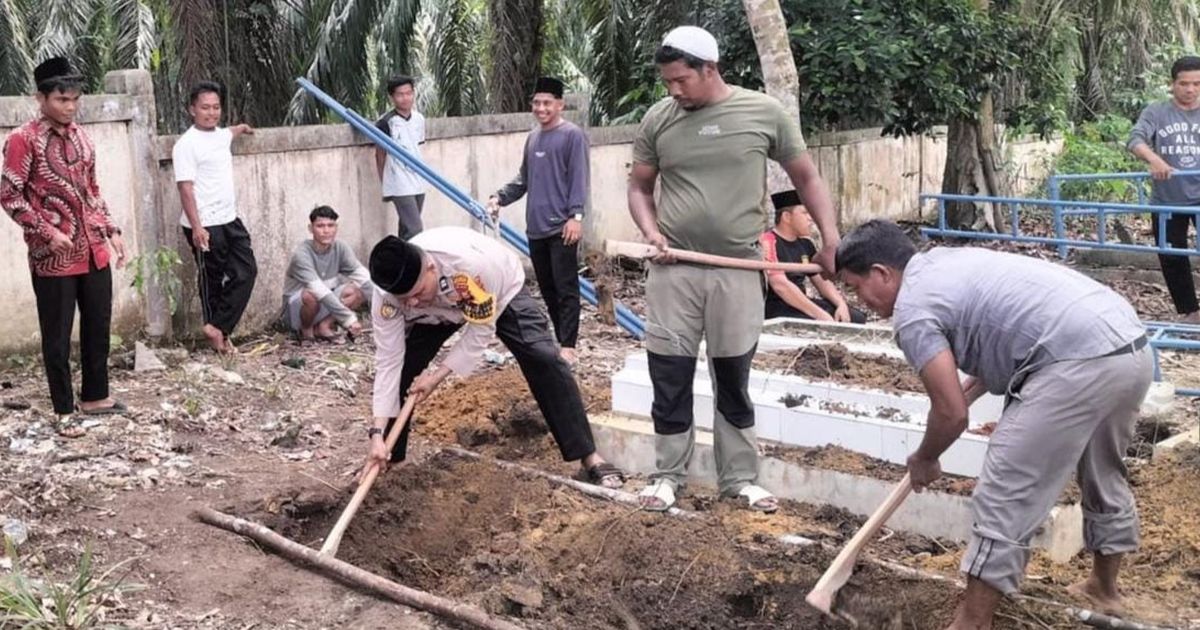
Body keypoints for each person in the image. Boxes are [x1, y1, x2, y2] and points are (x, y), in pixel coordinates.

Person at [836, 220, 1151, 630]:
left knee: (1006, 488)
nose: (860, 299)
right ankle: (1104, 589)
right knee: (1102, 471)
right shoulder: (947, 263)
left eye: (856, 286)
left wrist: (926, 458)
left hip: (1073, 362)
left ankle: (973, 621)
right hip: (1129, 347)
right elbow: (1008, 326)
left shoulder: (913, 312)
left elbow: (951, 414)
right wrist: (969, 386)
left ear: (882, 273)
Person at [627, 26, 841, 513]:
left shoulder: (762, 113)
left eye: (681, 80)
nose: (673, 91)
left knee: (733, 374)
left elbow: (805, 175)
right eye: (667, 82)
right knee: (670, 374)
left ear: (710, 69)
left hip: (739, 267)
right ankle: (667, 475)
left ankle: (740, 478)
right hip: (674, 266)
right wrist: (651, 231)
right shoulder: (658, 119)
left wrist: (830, 239)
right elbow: (640, 187)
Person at [361, 228, 624, 488]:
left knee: (542, 357)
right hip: (437, 313)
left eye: (418, 293)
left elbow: (480, 331)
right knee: (404, 370)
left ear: (430, 267)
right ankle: (388, 458)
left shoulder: (469, 269)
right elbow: (389, 361)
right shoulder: (389, 299)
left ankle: (588, 455)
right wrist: (376, 433)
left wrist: (437, 376)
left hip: (499, 294)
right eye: (406, 300)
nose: (414, 303)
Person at [0, 57, 129, 436]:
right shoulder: (23, 140)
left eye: (74, 99)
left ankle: (96, 396)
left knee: (98, 324)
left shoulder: (82, 137)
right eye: (61, 99)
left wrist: (112, 229)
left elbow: (92, 192)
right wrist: (44, 231)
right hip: (53, 256)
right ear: (40, 98)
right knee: (57, 334)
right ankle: (63, 410)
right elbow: (9, 194)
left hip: (93, 247)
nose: (69, 106)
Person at [487, 77, 589, 365]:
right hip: (537, 227)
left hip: (563, 227)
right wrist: (500, 197)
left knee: (566, 287)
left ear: (560, 104)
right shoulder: (533, 138)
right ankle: (560, 338)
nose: (541, 108)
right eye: (536, 102)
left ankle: (568, 345)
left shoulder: (572, 135)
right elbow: (524, 179)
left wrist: (576, 216)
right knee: (547, 288)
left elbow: (579, 178)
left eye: (547, 103)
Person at [173, 81, 257, 354]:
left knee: (246, 271)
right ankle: (218, 332)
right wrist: (197, 227)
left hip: (229, 218)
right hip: (204, 222)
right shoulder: (186, 144)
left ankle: (217, 326)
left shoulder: (221, 135)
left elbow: (228, 133)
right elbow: (185, 188)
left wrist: (241, 128)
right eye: (205, 108)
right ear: (192, 109)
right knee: (212, 277)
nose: (211, 113)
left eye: (216, 107)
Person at [1128, 55, 1200, 324]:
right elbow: (1135, 139)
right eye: (1184, 83)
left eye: (1197, 83)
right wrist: (1154, 159)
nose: (1190, 89)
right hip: (1167, 200)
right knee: (1171, 256)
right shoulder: (1156, 112)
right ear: (1173, 84)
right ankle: (1190, 313)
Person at [761, 190, 866, 323]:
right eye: (805, 213)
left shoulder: (806, 244)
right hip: (777, 307)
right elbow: (780, 285)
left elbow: (821, 280)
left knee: (855, 318)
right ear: (787, 217)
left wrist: (841, 304)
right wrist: (818, 314)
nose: (810, 218)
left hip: (802, 304)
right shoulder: (767, 241)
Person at [281, 205, 374, 341]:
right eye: (320, 226)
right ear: (310, 228)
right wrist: (348, 319)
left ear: (336, 228)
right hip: (295, 312)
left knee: (358, 288)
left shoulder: (340, 248)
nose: (326, 231)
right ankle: (306, 331)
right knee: (311, 294)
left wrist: (391, 303)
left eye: (331, 225)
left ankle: (323, 327)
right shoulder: (302, 254)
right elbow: (318, 290)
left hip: (324, 301)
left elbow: (364, 278)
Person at [375, 75, 427, 239]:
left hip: (418, 178)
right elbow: (380, 154)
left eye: (409, 93)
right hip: (398, 181)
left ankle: (401, 262)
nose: (405, 98)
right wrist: (386, 182)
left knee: (406, 229)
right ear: (392, 97)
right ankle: (417, 262)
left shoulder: (419, 119)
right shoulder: (386, 122)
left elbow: (417, 146)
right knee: (415, 229)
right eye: (400, 94)